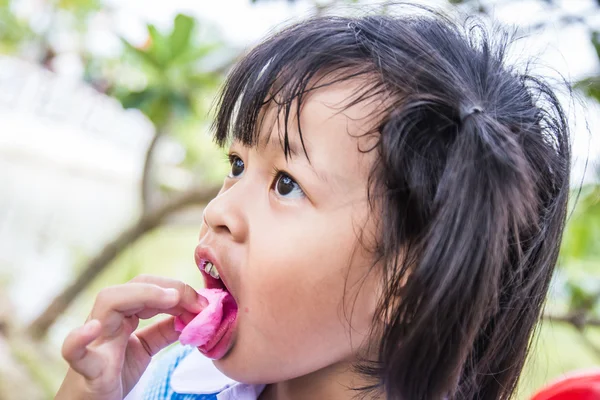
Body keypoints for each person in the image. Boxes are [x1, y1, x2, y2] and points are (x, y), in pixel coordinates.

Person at [55, 4, 572, 400]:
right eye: (236, 166)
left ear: (408, 279)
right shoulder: (172, 379)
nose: (218, 211)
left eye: (286, 184)